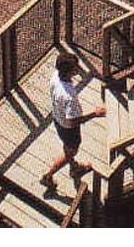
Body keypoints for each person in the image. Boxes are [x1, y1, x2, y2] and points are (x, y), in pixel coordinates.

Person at [39, 53, 106, 191]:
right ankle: (48, 175)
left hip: (58, 119)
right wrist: (95, 114)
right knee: (72, 150)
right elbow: (73, 120)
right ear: (69, 71)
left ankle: (74, 167)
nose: (78, 69)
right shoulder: (69, 96)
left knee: (68, 147)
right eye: (75, 67)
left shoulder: (55, 76)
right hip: (68, 128)